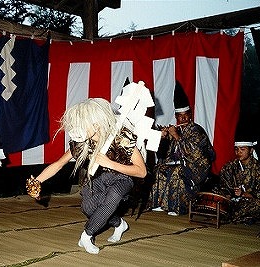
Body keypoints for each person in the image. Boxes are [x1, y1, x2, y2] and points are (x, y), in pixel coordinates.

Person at [26, 98, 147, 254]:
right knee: (89, 208)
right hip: (97, 178)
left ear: (96, 124)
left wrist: (109, 163)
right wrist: (37, 181)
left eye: (81, 123)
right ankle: (119, 224)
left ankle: (87, 235)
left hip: (123, 177)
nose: (77, 128)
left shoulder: (121, 136)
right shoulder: (82, 142)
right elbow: (58, 164)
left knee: (114, 195)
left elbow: (141, 171)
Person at [149, 80, 215, 216]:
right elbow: (164, 155)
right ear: (176, 117)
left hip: (197, 167)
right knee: (159, 169)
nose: (184, 120)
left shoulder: (197, 130)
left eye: (186, 116)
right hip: (178, 164)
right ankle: (159, 203)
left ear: (190, 115)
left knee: (176, 171)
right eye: (180, 117)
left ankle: (176, 207)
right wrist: (164, 138)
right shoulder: (175, 130)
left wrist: (177, 137)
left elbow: (195, 153)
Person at [213, 129, 260, 225]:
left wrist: (244, 194)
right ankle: (236, 214)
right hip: (234, 200)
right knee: (215, 194)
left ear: (251, 150)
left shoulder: (259, 169)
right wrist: (227, 195)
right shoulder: (229, 167)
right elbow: (224, 186)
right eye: (236, 149)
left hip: (250, 201)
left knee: (259, 205)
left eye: (242, 149)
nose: (239, 152)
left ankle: (240, 216)